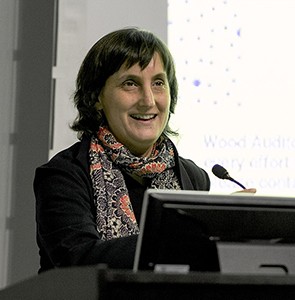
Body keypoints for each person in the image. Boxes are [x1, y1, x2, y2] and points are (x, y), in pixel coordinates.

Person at [34, 27, 255, 273]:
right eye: (131, 83)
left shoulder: (193, 177)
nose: (148, 100)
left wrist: (229, 231)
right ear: (96, 97)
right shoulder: (63, 175)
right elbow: (78, 260)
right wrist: (195, 237)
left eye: (159, 83)